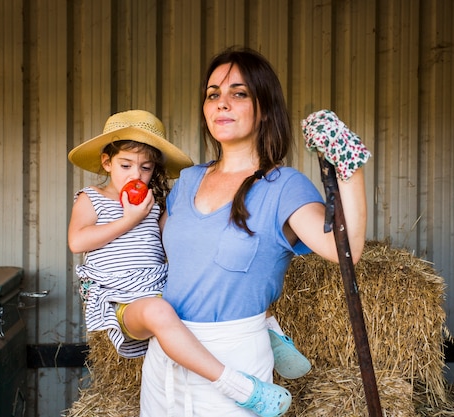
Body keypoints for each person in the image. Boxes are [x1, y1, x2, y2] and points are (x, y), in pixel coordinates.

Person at [140, 47, 369, 416]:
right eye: (213, 94)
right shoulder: (186, 181)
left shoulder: (284, 186)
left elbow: (345, 249)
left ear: (263, 109)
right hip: (165, 360)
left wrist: (349, 167)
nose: (222, 103)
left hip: (235, 368)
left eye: (238, 93)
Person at [67, 109, 293, 417]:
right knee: (159, 311)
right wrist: (129, 219)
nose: (136, 175)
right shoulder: (92, 198)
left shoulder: (152, 204)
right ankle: (237, 386)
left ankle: (270, 334)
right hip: (121, 297)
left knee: (221, 281)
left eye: (146, 168)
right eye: (125, 165)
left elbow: (176, 243)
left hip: (158, 286)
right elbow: (77, 241)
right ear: (106, 162)